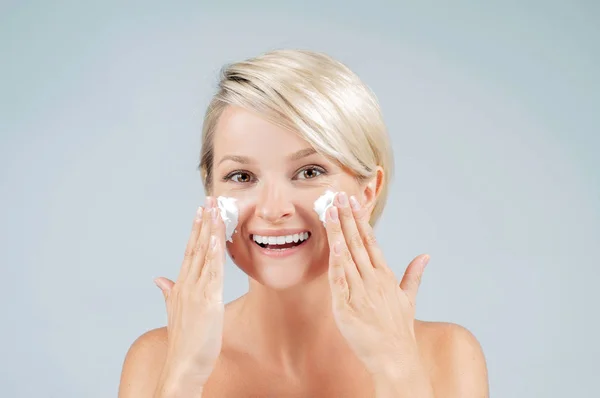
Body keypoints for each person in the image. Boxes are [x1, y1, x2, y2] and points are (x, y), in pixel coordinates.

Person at [118, 49, 489, 397]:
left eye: (309, 171)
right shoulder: (157, 359)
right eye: (242, 177)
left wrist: (395, 367)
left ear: (367, 191)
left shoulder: (446, 354)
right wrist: (185, 373)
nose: (273, 208)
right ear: (210, 193)